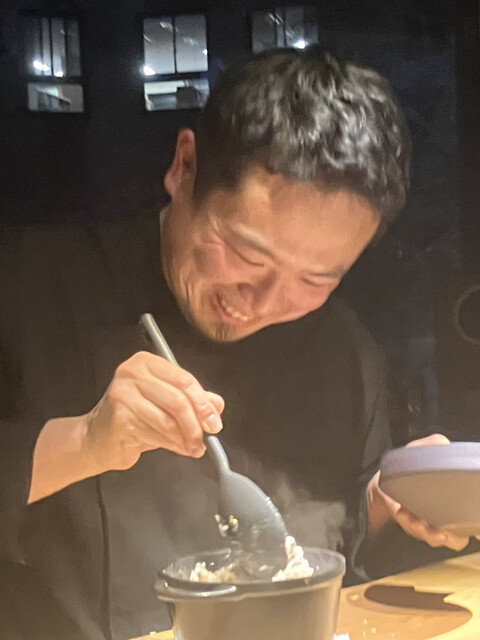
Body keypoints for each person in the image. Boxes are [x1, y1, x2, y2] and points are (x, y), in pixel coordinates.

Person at [0, 47, 476, 640]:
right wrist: (84, 441)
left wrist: (389, 503)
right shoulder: (30, 284)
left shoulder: (347, 353)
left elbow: (341, 558)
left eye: (315, 280)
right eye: (246, 254)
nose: (263, 303)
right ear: (185, 167)